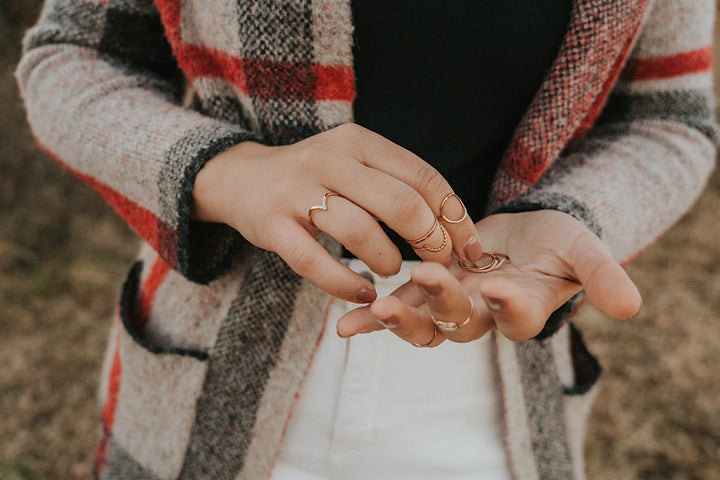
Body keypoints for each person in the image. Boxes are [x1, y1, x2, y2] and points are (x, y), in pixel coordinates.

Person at [15, 0, 716, 479]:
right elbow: (72, 56)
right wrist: (229, 172)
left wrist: (570, 215)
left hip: (497, 402)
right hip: (203, 388)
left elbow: (670, 115)